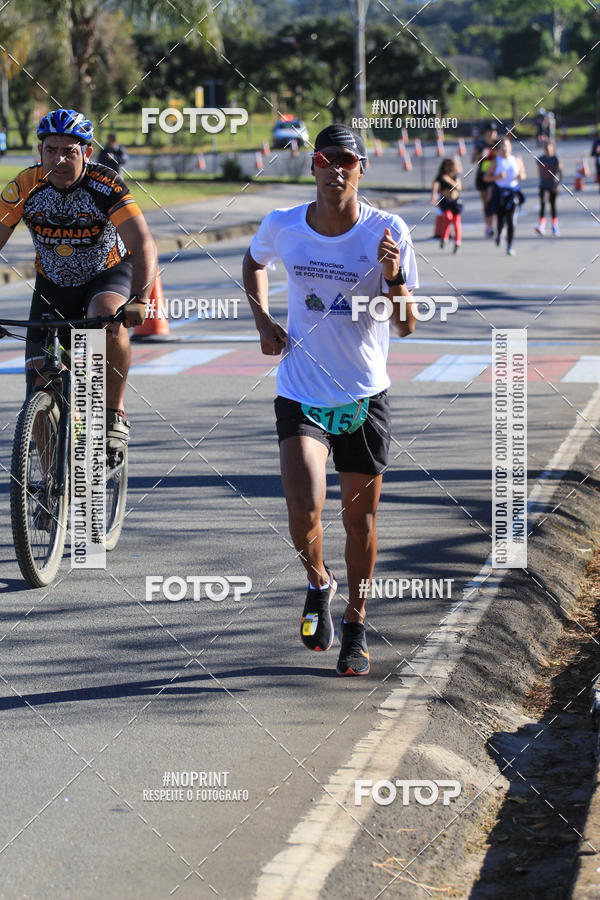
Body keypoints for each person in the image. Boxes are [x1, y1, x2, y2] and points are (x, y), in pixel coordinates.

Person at [243, 124, 417, 676]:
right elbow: (253, 261)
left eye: (346, 159)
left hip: (364, 395)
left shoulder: (387, 232)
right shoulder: (285, 225)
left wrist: (393, 278)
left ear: (361, 168)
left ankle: (357, 623)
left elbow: (407, 325)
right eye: (324, 159)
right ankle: (319, 582)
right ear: (312, 165)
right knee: (304, 507)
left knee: (359, 523)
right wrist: (264, 322)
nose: (334, 169)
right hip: (301, 390)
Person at [0, 108, 156, 448]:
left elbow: (143, 243)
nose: (59, 159)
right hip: (51, 286)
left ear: (86, 152)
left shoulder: (106, 184)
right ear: (40, 151)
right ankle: (47, 479)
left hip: (105, 275)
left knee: (107, 317)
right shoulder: (26, 184)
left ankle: (113, 412)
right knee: (39, 383)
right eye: (51, 150)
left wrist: (140, 300)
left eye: (69, 151)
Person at [485, 137, 526, 256]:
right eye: (502, 147)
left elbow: (523, 175)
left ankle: (510, 246)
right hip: (500, 192)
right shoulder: (496, 161)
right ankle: (499, 233)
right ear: (498, 149)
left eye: (506, 146)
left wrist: (520, 176)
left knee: (511, 219)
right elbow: (486, 177)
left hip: (513, 192)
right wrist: (497, 177)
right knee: (500, 220)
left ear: (510, 147)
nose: (505, 149)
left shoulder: (516, 160)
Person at [471, 122, 498, 237]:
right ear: (486, 133)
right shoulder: (480, 144)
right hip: (482, 176)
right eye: (490, 132)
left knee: (493, 200)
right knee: (486, 203)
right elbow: (472, 160)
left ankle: (495, 224)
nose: (492, 134)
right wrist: (481, 156)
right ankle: (488, 225)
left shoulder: (499, 144)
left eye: (494, 131)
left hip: (494, 176)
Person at [430, 158, 462, 252]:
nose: (448, 167)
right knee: (447, 217)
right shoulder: (441, 176)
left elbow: (459, 187)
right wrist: (434, 195)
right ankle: (444, 238)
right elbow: (435, 185)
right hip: (445, 201)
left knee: (456, 223)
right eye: (446, 165)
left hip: (455, 202)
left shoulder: (455, 176)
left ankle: (457, 242)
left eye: (450, 165)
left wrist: (449, 180)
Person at [536, 142, 562, 236]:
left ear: (552, 148)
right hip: (543, 185)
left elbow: (560, 173)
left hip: (552, 185)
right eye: (546, 147)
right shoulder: (541, 159)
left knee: (552, 205)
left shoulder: (555, 159)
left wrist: (557, 185)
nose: (547, 149)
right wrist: (541, 181)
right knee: (542, 204)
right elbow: (539, 171)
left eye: (549, 147)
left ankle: (555, 226)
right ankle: (541, 225)